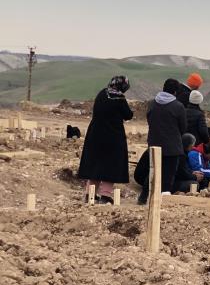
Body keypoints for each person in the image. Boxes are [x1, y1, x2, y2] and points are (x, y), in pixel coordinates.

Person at [77, 75, 133, 204]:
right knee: (111, 166)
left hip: (95, 134)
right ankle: (105, 195)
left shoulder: (102, 93)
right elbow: (128, 115)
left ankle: (89, 194)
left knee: (95, 166)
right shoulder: (119, 98)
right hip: (113, 137)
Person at [141, 78, 186, 204]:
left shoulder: (152, 103)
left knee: (152, 172)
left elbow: (149, 120)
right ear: (176, 92)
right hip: (172, 147)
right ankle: (163, 202)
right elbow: (183, 127)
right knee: (168, 176)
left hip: (154, 143)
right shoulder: (178, 106)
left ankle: (144, 198)